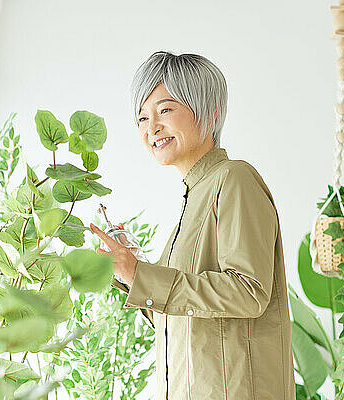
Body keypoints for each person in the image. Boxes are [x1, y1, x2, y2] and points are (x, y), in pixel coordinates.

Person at [89, 51, 296, 400]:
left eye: (165, 110)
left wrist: (144, 275)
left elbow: (249, 292)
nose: (151, 128)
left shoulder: (234, 179)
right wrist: (130, 276)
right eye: (142, 117)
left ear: (210, 112)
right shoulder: (191, 204)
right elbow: (182, 320)